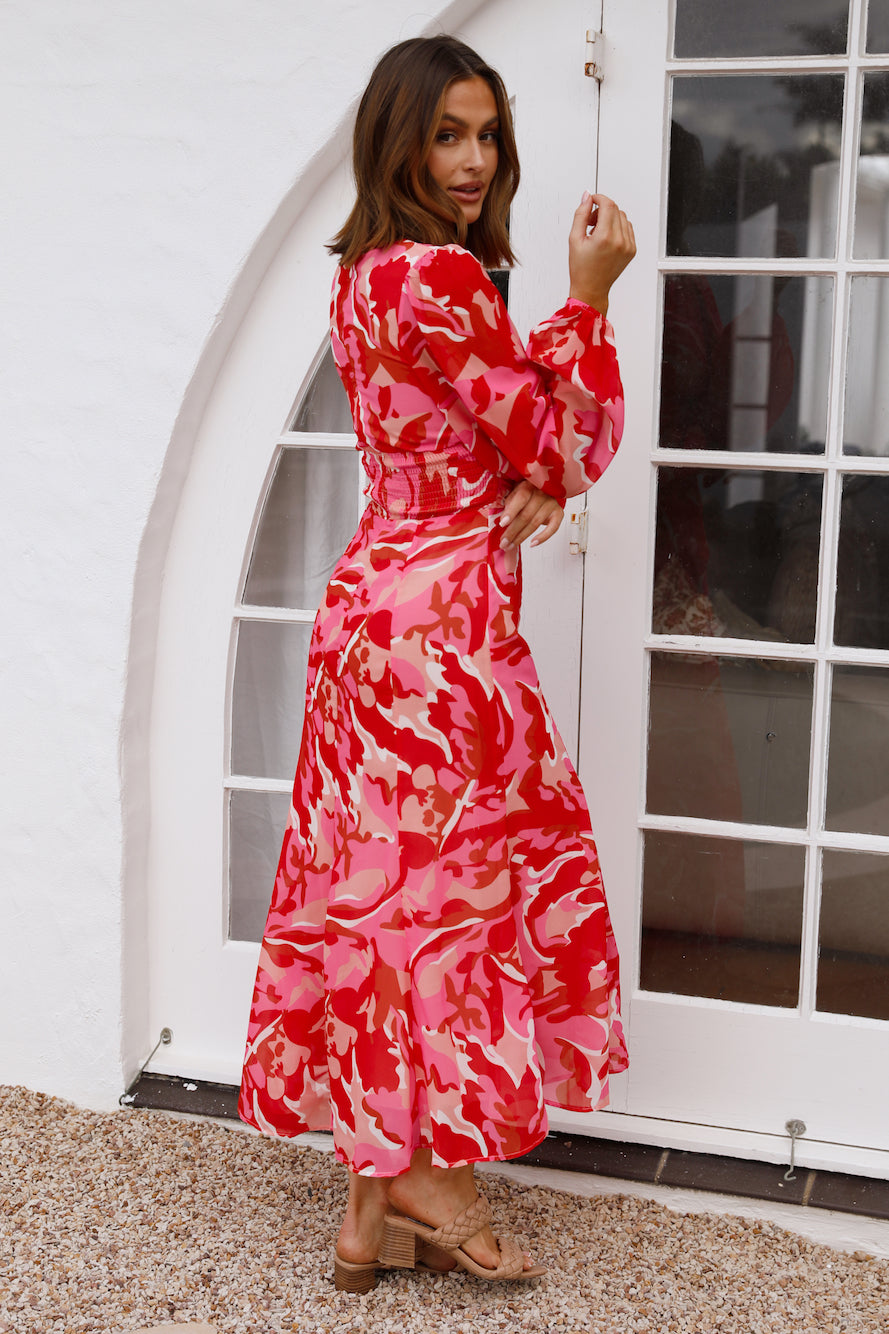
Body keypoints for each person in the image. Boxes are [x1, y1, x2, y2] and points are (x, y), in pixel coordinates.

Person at [238, 33, 635, 1290]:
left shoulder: (363, 274)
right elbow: (567, 441)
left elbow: (498, 445)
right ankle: (432, 1177)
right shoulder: (447, 281)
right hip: (441, 637)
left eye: (487, 135)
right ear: (398, 140)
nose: (472, 162)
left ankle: (368, 1215)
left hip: (371, 606)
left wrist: (516, 473)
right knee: (439, 911)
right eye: (447, 135)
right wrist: (589, 295)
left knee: (382, 903)